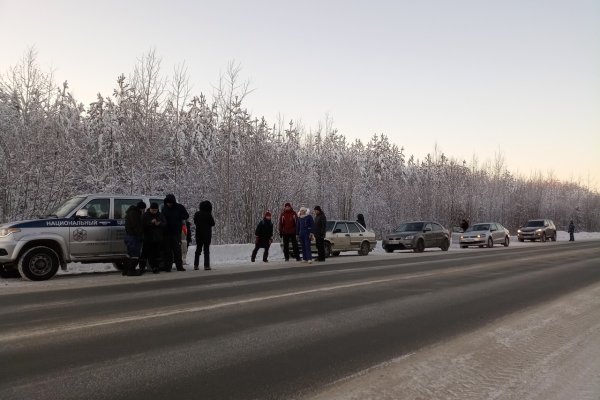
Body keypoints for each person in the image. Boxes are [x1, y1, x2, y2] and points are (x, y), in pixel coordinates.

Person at [161, 194, 189, 272]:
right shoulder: (164, 209)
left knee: (177, 250)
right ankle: (168, 267)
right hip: (166, 233)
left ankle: (179, 266)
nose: (169, 204)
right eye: (167, 202)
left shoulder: (179, 207)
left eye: (170, 202)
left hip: (176, 232)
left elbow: (186, 216)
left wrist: (179, 217)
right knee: (168, 251)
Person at [141, 202, 166, 274]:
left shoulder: (160, 215)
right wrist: (150, 222)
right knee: (144, 253)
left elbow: (165, 224)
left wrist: (159, 223)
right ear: (150, 209)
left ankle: (156, 267)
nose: (154, 211)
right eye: (153, 210)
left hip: (157, 238)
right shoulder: (145, 215)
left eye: (155, 210)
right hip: (147, 238)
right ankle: (142, 267)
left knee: (156, 254)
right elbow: (142, 225)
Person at [123, 201, 146, 276]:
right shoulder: (135, 214)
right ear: (141, 208)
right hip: (134, 237)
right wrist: (140, 235)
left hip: (129, 236)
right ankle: (131, 270)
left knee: (129, 255)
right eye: (143, 209)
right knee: (135, 255)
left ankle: (126, 270)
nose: (143, 211)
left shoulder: (130, 212)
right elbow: (136, 227)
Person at [194, 200, 215, 270]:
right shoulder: (208, 214)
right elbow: (213, 223)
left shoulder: (197, 214)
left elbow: (195, 222)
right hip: (207, 234)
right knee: (206, 250)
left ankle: (196, 265)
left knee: (198, 250)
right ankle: (206, 265)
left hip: (198, 234)